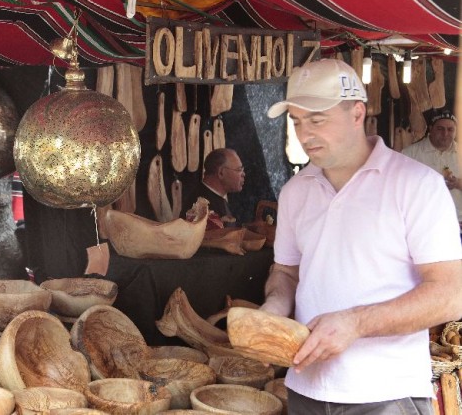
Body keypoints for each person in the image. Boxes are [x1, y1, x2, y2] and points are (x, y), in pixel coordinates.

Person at [262, 58, 462, 414]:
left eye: (317, 120)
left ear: (357, 113)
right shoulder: (295, 191)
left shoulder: (417, 185)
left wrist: (355, 323)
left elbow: (450, 294)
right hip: (306, 387)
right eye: (296, 121)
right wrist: (274, 308)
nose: (305, 134)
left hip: (387, 392)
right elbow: (286, 272)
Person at [401, 109, 462, 227]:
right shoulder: (410, 154)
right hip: (424, 225)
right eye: (440, 129)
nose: (445, 134)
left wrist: (458, 183)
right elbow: (400, 190)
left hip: (458, 222)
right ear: (430, 129)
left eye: (450, 129)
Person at [185, 148, 245, 226]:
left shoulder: (215, 198)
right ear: (221, 173)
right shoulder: (200, 206)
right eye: (239, 170)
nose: (243, 174)